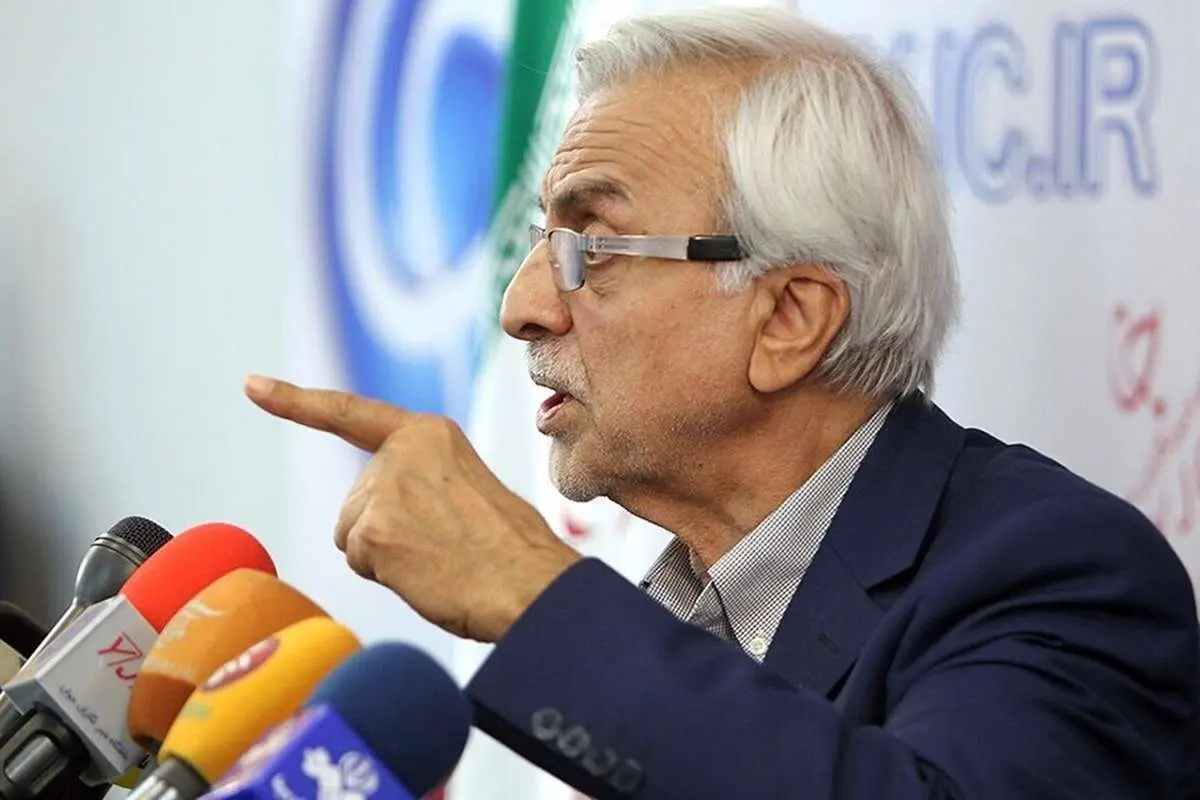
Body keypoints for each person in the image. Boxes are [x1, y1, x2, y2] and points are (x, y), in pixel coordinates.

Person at [244, 6, 1200, 798]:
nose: (522, 305)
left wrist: (528, 590)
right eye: (540, 241)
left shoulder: (1058, 575)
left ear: (789, 317)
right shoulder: (687, 605)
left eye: (591, 247)